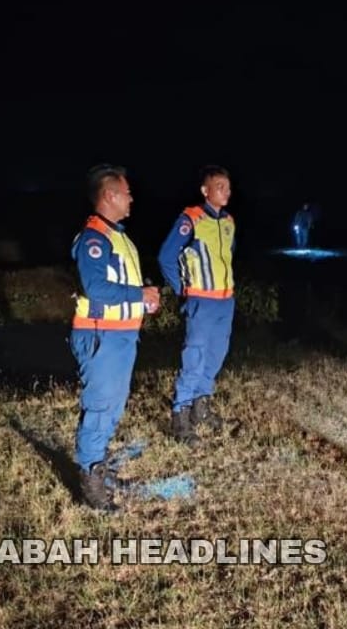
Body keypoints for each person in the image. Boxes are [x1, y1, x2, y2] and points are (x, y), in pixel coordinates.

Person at [70, 164, 160, 511]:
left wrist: (144, 297)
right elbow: (96, 287)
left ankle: (99, 467)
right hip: (101, 335)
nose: (131, 199)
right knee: (100, 405)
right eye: (127, 193)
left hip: (120, 335)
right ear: (109, 195)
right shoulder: (94, 238)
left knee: (112, 406)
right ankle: (90, 479)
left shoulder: (118, 236)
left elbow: (121, 283)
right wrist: (139, 294)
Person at [159, 165, 235, 447]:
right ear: (205, 190)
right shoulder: (191, 219)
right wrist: (183, 290)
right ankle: (181, 414)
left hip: (225, 301)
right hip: (201, 301)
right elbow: (166, 257)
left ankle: (201, 407)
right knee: (194, 356)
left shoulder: (228, 222)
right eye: (219, 187)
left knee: (216, 354)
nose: (226, 192)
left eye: (228, 187)